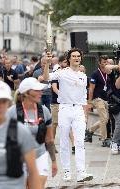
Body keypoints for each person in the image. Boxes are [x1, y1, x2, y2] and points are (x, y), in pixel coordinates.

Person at [43, 48, 93, 182]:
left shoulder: (83, 76)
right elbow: (47, 78)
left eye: (78, 56)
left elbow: (84, 97)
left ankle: (81, 172)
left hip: (78, 110)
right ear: (69, 59)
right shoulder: (62, 73)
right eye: (74, 56)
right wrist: (47, 63)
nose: (77, 58)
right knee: (64, 141)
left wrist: (85, 113)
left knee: (80, 141)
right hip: (64, 108)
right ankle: (66, 171)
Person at [8, 77, 57, 188]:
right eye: (37, 90)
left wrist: (54, 161)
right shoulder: (11, 112)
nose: (41, 93)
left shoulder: (44, 111)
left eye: (41, 90)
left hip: (40, 156)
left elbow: (49, 139)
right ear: (26, 93)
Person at [86, 55, 110, 146]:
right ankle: (104, 139)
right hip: (97, 99)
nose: (106, 64)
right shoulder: (95, 74)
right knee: (104, 118)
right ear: (99, 63)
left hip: (106, 99)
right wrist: (89, 102)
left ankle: (90, 130)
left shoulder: (108, 73)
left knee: (105, 119)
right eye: (104, 62)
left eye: (107, 62)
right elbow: (91, 89)